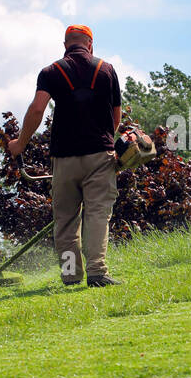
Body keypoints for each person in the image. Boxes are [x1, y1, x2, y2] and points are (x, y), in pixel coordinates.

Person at [7, 25, 123, 287]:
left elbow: (37, 109)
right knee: (96, 214)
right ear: (90, 45)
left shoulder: (50, 72)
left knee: (66, 220)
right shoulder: (107, 70)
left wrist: (20, 144)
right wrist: (101, 141)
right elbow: (115, 118)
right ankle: (97, 273)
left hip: (64, 159)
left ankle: (71, 275)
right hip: (99, 156)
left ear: (65, 46)